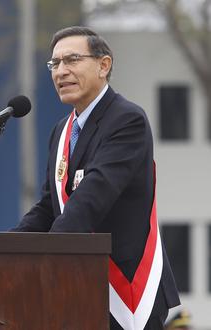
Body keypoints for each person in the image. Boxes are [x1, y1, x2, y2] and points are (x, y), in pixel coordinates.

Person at [12, 26, 180, 329]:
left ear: (104, 65)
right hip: (80, 284)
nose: (61, 72)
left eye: (72, 60)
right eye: (55, 64)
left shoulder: (127, 120)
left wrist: (44, 256)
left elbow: (91, 198)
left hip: (125, 288)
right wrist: (2, 250)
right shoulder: (61, 131)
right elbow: (51, 207)